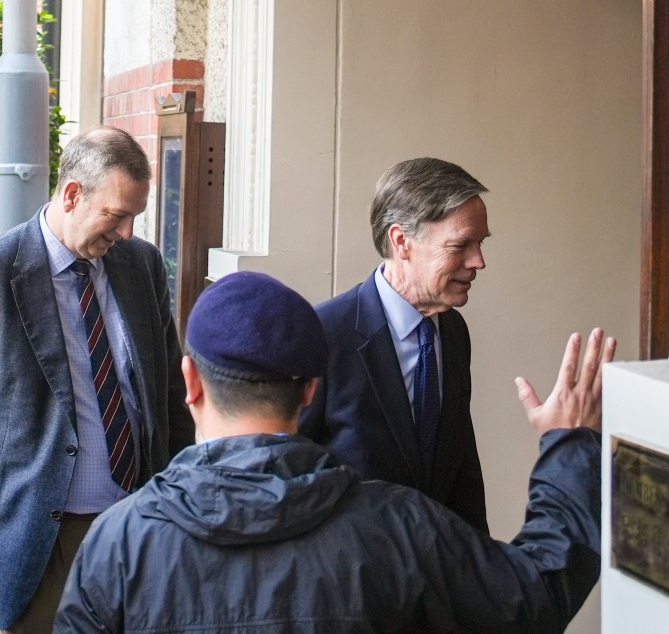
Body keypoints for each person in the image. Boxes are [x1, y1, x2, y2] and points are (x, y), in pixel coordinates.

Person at [54, 271, 615, 633]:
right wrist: (567, 443)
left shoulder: (120, 541)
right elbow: (534, 598)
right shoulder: (399, 527)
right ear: (311, 391)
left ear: (191, 382)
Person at [0, 126, 194, 633]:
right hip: (40, 543)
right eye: (117, 214)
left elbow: (171, 395)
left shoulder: (141, 264)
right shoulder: (4, 273)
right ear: (71, 194)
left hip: (141, 527)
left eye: (136, 216)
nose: (127, 232)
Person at [300, 157, 491, 531]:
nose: (479, 261)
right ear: (401, 241)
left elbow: (460, 467)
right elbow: (293, 475)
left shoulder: (453, 333)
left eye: (480, 243)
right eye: (461, 245)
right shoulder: (323, 335)